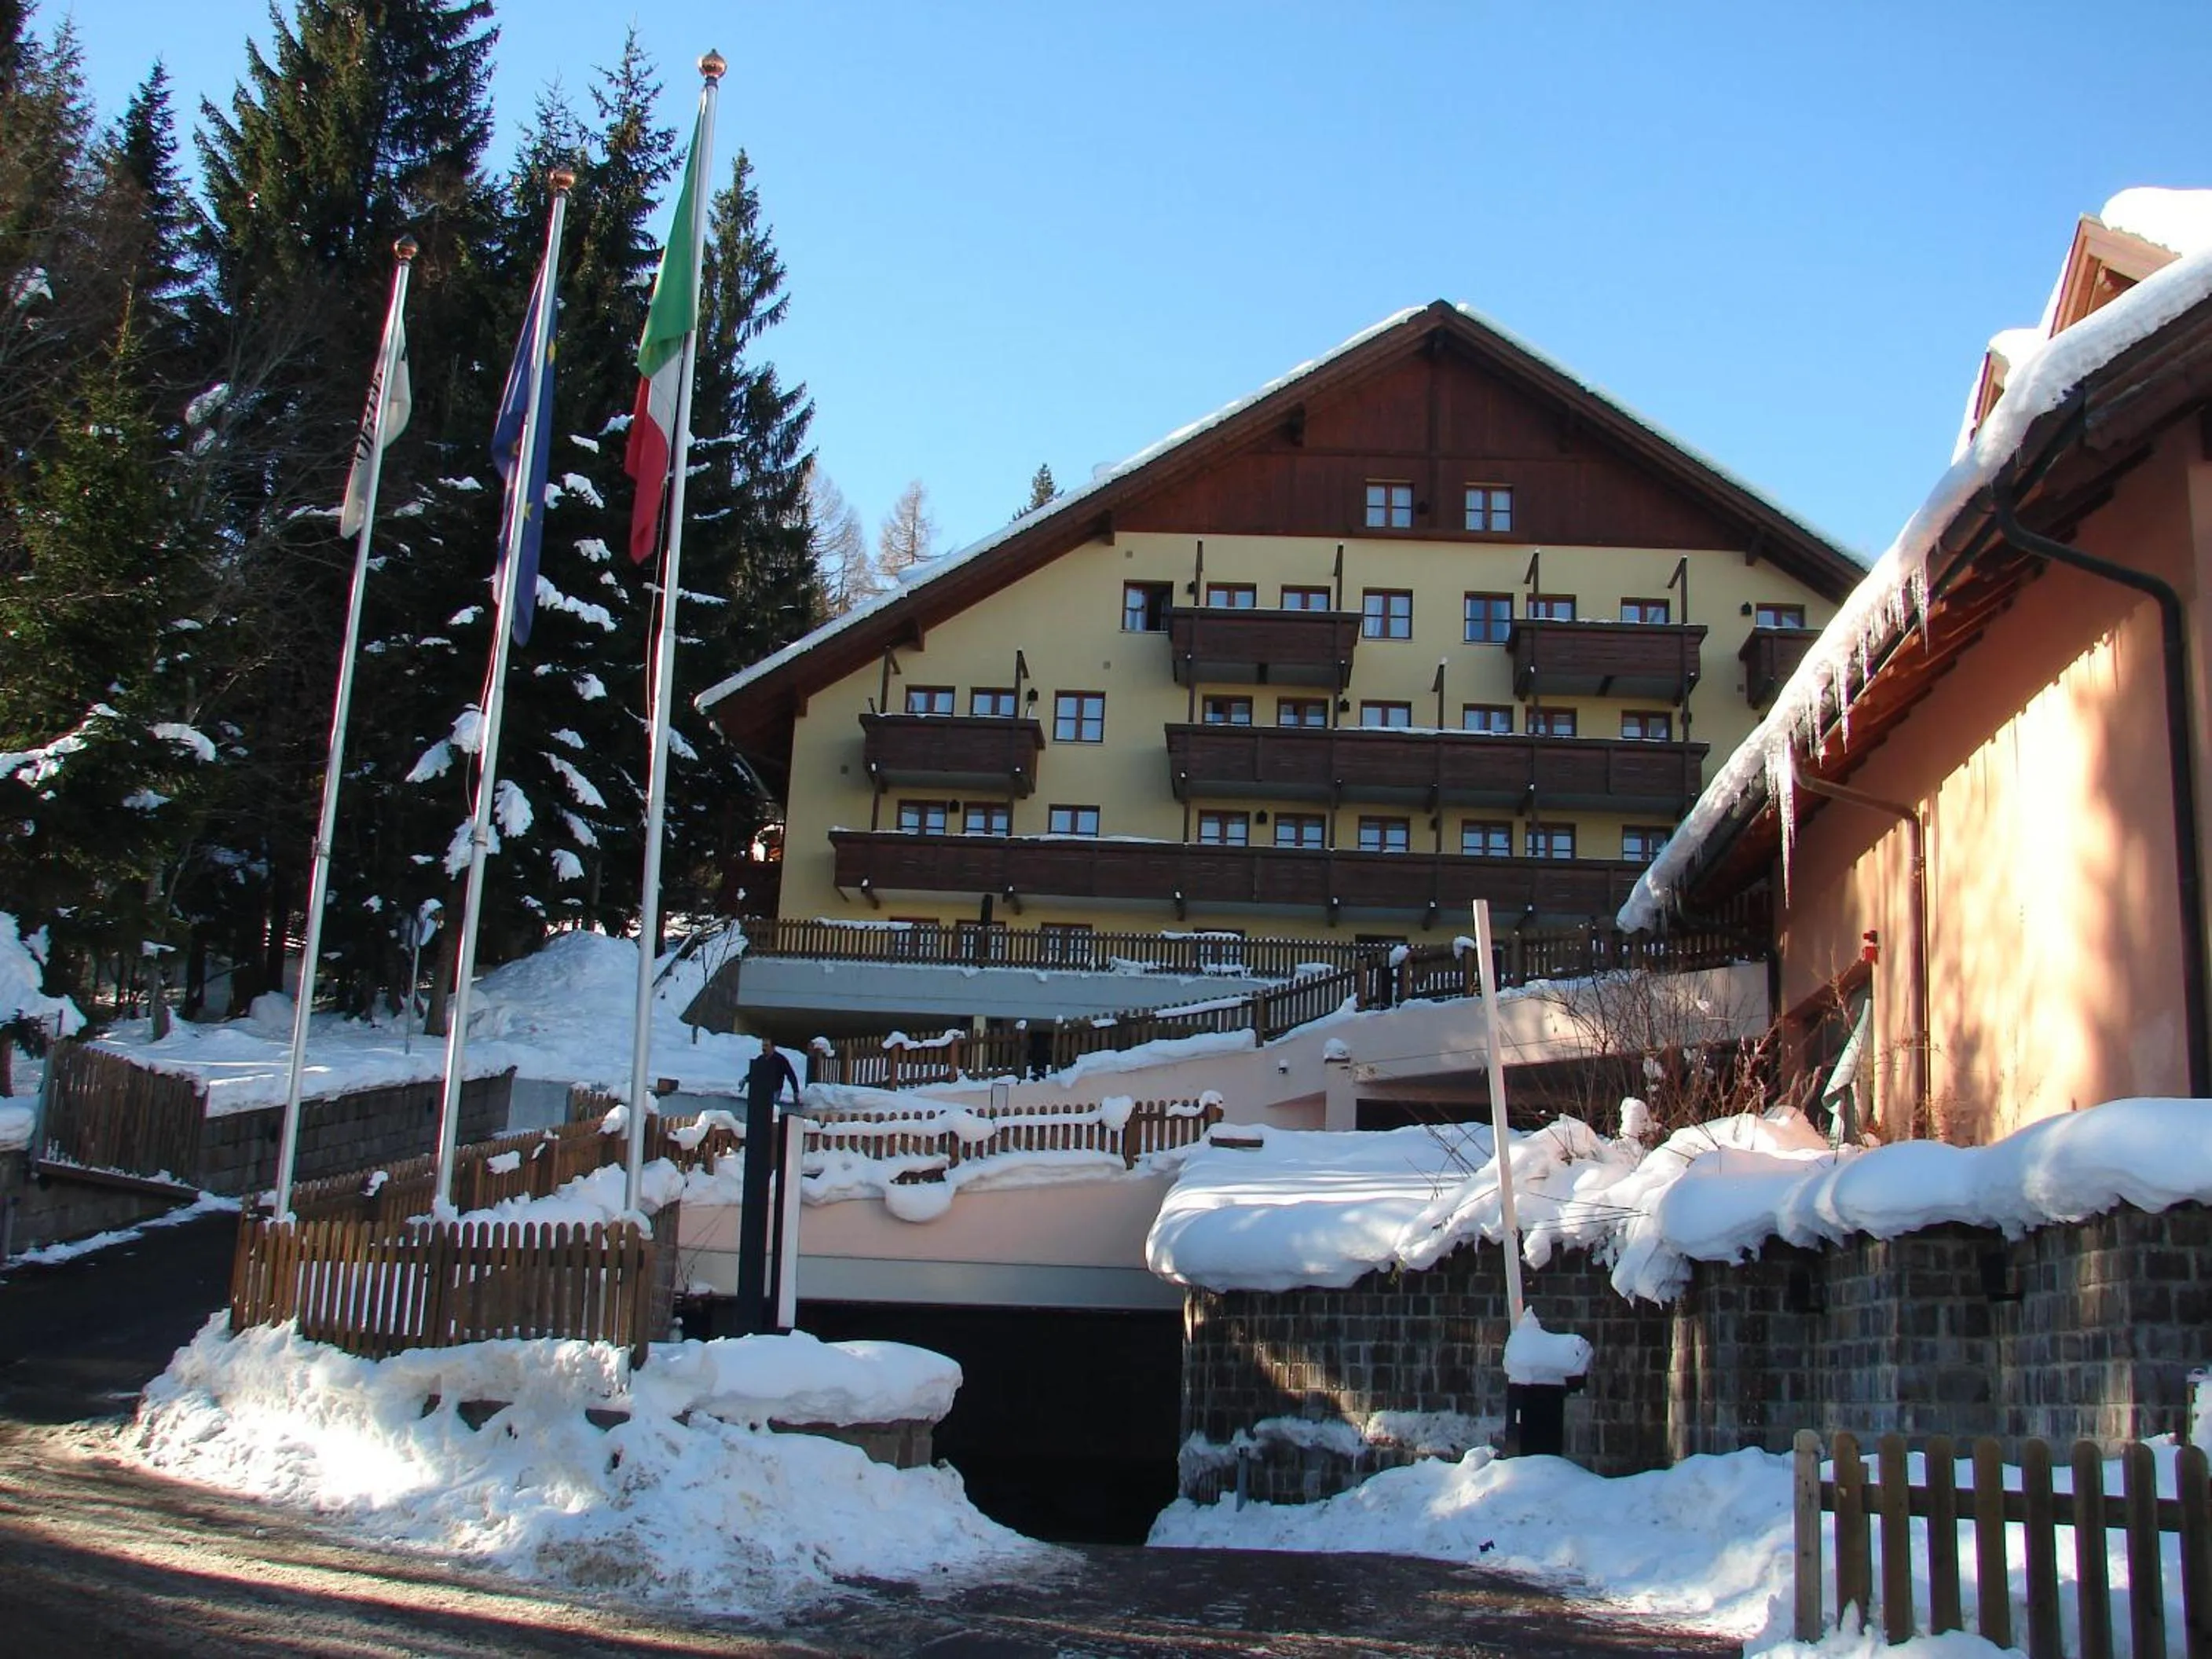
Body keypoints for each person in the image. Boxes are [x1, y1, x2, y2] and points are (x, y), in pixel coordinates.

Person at [734, 1036, 802, 1333]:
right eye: (761, 1047)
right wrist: (744, 1081)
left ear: (773, 1047)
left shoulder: (779, 1061)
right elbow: (754, 1073)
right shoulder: (762, 1062)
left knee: (769, 1107)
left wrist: (796, 1092)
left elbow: (791, 1075)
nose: (763, 1050)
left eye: (766, 1047)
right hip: (764, 1087)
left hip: (773, 1089)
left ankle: (768, 1115)